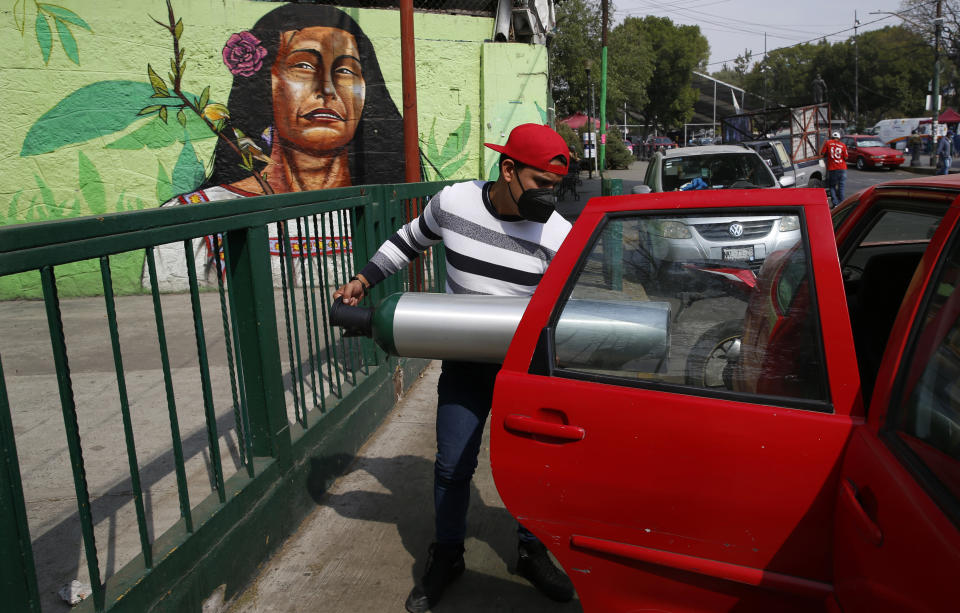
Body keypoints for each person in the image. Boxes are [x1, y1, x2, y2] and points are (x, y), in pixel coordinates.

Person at [333, 123, 576, 613]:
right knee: (451, 465)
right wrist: (364, 278)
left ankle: (531, 549)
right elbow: (408, 241)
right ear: (508, 170)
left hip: (526, 370)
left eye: (556, 189)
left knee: (535, 466)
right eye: (540, 185)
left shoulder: (558, 235)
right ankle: (447, 555)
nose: (549, 199)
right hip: (466, 363)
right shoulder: (454, 204)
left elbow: (566, 311)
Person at [148, 4, 404, 290]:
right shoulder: (193, 226)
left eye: (345, 70)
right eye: (304, 65)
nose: (327, 89)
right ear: (267, 83)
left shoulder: (403, 216)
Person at [820, 131, 847, 207]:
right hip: (842, 168)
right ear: (839, 138)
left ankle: (835, 203)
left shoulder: (828, 143)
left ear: (832, 137)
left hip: (833, 168)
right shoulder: (843, 145)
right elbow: (846, 157)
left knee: (832, 186)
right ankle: (842, 203)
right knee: (841, 186)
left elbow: (822, 153)